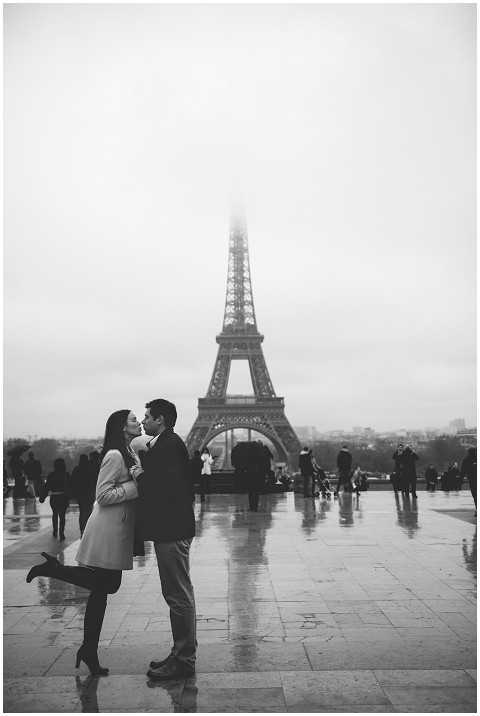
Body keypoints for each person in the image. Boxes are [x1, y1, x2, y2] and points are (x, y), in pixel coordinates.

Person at [26, 409, 142, 676]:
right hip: (107, 529)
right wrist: (136, 488)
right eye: (134, 419)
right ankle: (54, 570)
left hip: (117, 528)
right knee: (108, 585)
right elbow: (102, 495)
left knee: (101, 591)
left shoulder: (127, 452)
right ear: (122, 427)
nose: (138, 422)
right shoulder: (115, 455)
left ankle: (89, 650)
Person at [136, 398, 196, 681]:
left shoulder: (168, 445)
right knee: (178, 593)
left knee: (177, 595)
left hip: (172, 530)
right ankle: (181, 654)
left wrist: (139, 475)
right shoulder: (167, 443)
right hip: (173, 528)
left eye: (148, 417)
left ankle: (183, 659)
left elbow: (164, 488)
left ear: (160, 419)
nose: (144, 421)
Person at [41, 458, 70, 540]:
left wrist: (42, 497)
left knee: (55, 514)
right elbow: (69, 486)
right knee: (62, 516)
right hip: (63, 497)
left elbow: (46, 487)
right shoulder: (66, 474)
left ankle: (55, 530)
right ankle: (62, 533)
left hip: (54, 497)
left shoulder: (51, 475)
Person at [70, 454, 97, 536]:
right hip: (89, 493)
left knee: (82, 512)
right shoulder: (90, 469)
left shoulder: (77, 469)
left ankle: (82, 529)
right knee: (89, 511)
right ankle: (88, 529)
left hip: (80, 494)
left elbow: (72, 481)